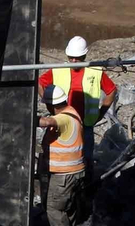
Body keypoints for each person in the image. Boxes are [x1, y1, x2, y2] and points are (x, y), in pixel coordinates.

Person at [38, 35, 116, 174]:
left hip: (85, 123)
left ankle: (85, 185)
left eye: (78, 58)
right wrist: (50, 105)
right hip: (64, 121)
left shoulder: (95, 72)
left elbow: (111, 90)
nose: (73, 61)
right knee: (61, 155)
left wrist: (101, 112)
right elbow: (40, 83)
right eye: (71, 57)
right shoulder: (58, 70)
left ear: (85, 55)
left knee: (86, 157)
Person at [37, 85, 85, 226]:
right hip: (74, 171)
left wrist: (28, 118)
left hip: (64, 174)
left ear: (52, 105)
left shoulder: (63, 118)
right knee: (67, 207)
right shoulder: (73, 111)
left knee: (54, 207)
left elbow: (48, 121)